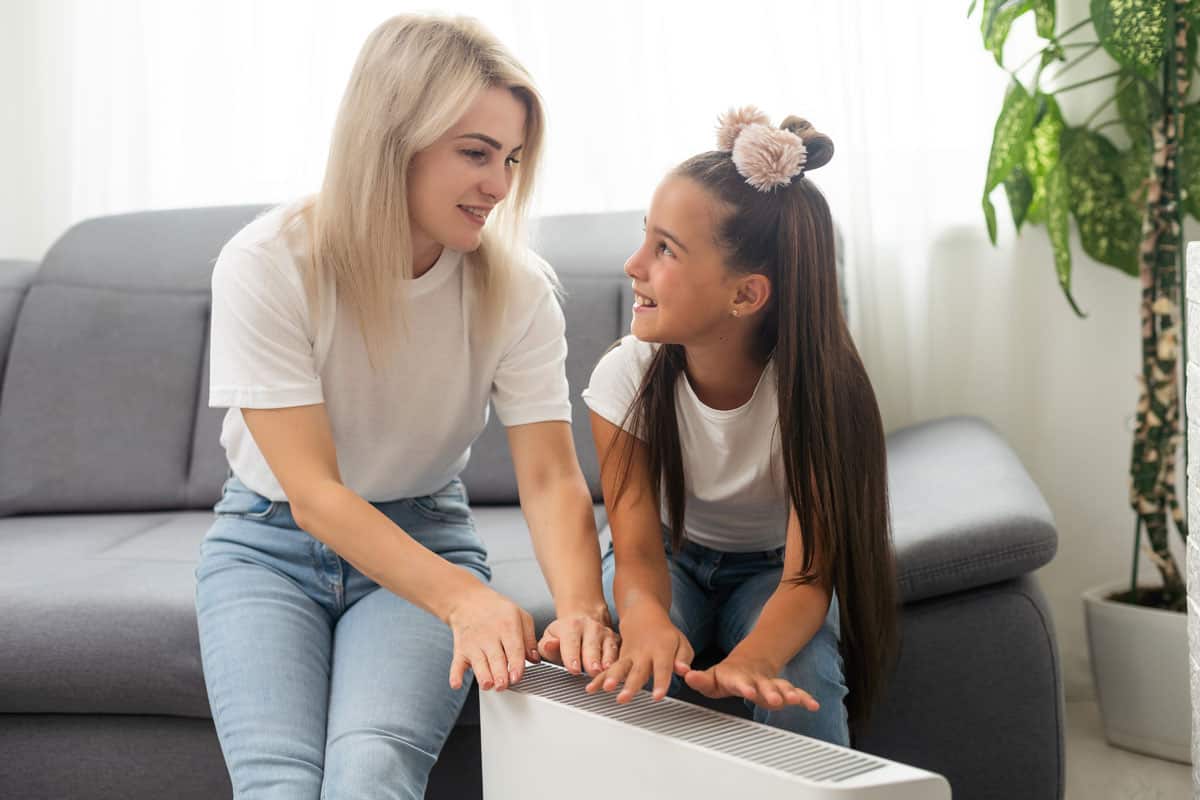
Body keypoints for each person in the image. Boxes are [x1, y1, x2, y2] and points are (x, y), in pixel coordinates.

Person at [195, 15, 616, 799]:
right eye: (475, 153)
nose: (501, 184)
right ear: (394, 139)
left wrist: (583, 608)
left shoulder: (519, 291)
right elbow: (315, 494)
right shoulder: (266, 264)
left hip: (424, 529)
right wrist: (470, 603)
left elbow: (553, 478)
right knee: (279, 786)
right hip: (266, 545)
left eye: (513, 159)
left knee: (371, 772)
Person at [569, 107, 899, 747]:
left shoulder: (824, 391)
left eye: (665, 249)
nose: (634, 263)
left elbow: (808, 578)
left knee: (799, 680)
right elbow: (634, 548)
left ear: (745, 296)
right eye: (646, 236)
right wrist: (642, 617)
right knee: (632, 670)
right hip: (668, 554)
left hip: (775, 571)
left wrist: (755, 658)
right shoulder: (623, 379)